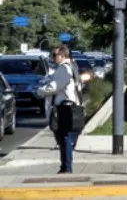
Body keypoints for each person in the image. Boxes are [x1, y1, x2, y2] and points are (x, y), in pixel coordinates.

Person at [38, 46, 83, 174]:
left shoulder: (64, 69)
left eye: (55, 55)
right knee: (65, 137)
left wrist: (40, 91)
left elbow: (55, 86)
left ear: (62, 56)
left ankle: (66, 167)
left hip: (65, 107)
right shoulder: (72, 66)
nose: (53, 57)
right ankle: (65, 165)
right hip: (71, 106)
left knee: (64, 138)